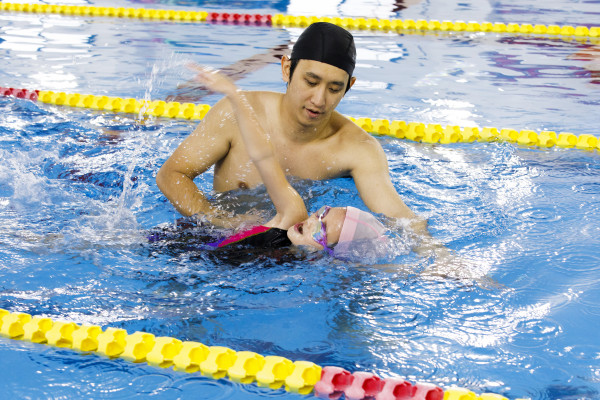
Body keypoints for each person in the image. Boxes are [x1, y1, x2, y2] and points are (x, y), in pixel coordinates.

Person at [156, 22, 429, 242]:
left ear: (350, 86)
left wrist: (439, 257)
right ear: (287, 69)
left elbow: (400, 217)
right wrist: (221, 223)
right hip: (211, 239)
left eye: (334, 88)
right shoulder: (235, 113)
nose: (319, 100)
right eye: (310, 82)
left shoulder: (357, 149)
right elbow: (171, 175)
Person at [180, 64, 388, 256]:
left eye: (321, 230)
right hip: (180, 248)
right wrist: (234, 95)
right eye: (324, 212)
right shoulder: (291, 215)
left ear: (330, 254)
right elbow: (263, 154)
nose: (313, 220)